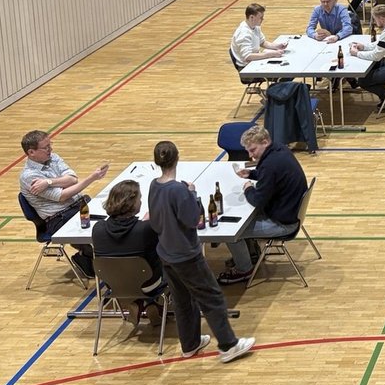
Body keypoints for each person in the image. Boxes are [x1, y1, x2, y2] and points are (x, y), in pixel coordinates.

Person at [147, 141, 255, 363]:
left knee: (182, 300)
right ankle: (228, 345)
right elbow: (192, 219)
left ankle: (190, 344)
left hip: (165, 253)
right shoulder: (179, 190)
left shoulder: (153, 185)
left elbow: (156, 221)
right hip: (186, 254)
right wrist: (192, 195)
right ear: (177, 158)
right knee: (212, 297)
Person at [216, 126, 309, 284]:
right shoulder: (280, 150)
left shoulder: (269, 165)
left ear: (265, 142)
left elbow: (258, 200)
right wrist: (252, 174)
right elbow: (273, 176)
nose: (250, 156)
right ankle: (251, 254)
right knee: (242, 221)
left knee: (231, 232)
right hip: (290, 212)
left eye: (253, 150)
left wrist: (248, 188)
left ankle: (244, 269)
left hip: (284, 224)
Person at [19, 130, 109, 278]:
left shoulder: (53, 158)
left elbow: (73, 179)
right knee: (101, 232)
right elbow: (62, 196)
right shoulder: (29, 176)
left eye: (50, 145)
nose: (50, 149)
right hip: (59, 218)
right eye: (46, 147)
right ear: (31, 152)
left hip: (78, 204)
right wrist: (91, 178)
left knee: (112, 218)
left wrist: (48, 182)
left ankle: (91, 257)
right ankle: (87, 258)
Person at [92, 180, 165, 326]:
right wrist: (147, 223)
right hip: (148, 284)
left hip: (114, 284)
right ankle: (150, 303)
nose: (141, 201)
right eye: (139, 198)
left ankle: (141, 303)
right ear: (131, 203)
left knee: (134, 268)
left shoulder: (98, 228)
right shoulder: (145, 229)